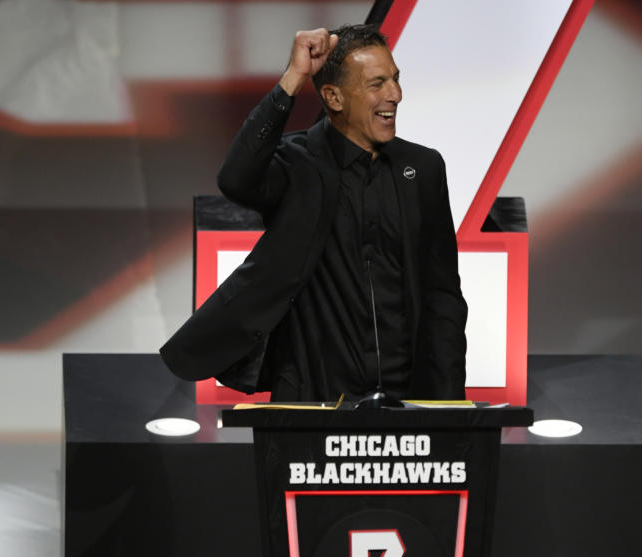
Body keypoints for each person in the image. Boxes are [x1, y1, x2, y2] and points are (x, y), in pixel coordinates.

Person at [160, 24, 468, 402]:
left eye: (395, 79)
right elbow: (235, 178)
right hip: (311, 397)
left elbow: (443, 295)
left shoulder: (423, 168)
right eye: (377, 84)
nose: (396, 95)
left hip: (407, 396)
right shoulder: (295, 163)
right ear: (334, 98)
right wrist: (293, 78)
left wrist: (451, 404)